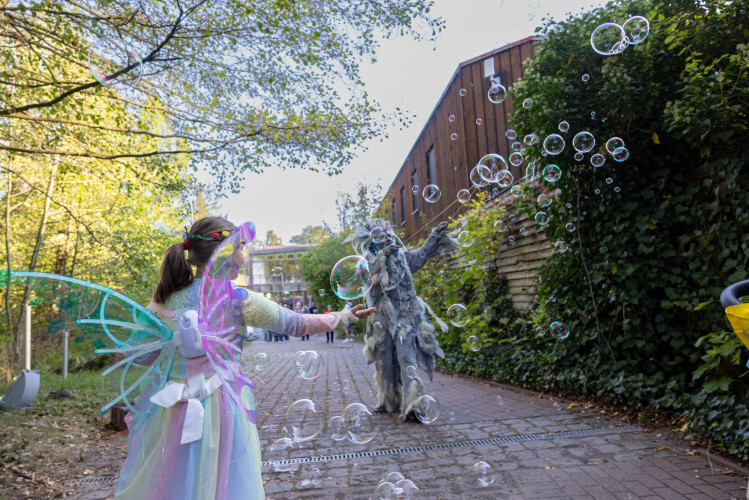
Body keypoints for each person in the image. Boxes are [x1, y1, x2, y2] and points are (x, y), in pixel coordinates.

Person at [114, 217, 375, 499]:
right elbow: (295, 324)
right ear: (223, 252)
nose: (244, 256)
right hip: (221, 405)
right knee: (223, 478)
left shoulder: (164, 299)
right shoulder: (237, 298)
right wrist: (343, 317)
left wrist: (174, 343)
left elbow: (136, 355)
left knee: (172, 477)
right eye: (241, 247)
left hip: (170, 407)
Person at [345, 219, 456, 422]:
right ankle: (388, 399)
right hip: (381, 320)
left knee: (407, 358)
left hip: (405, 317)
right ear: (372, 241)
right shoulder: (366, 262)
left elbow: (422, 254)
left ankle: (414, 404)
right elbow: (369, 277)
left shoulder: (402, 258)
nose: (386, 238)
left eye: (388, 234)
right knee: (384, 362)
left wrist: (434, 235)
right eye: (381, 236)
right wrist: (383, 257)